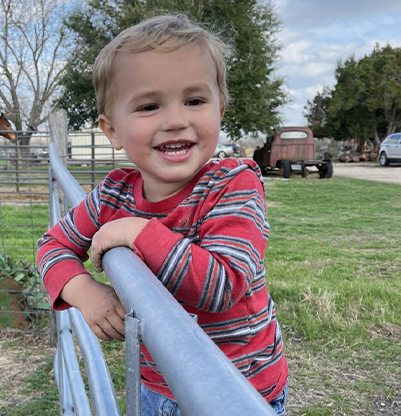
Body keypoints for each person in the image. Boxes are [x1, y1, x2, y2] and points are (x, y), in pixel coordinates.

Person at [37, 14, 288, 416]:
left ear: (219, 109)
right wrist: (85, 293)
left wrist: (139, 233)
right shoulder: (113, 195)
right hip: (154, 385)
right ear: (112, 130)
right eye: (150, 105)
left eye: (194, 101)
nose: (175, 120)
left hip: (237, 392)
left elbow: (222, 285)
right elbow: (52, 244)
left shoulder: (233, 184)